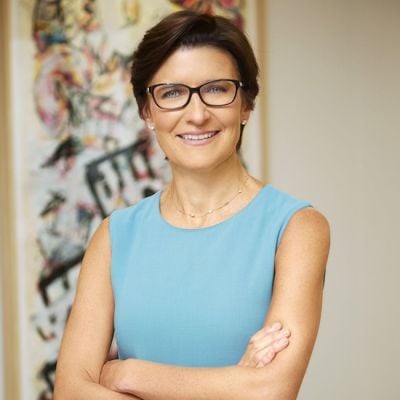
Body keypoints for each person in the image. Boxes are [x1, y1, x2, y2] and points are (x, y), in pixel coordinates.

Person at [54, 10, 330, 400]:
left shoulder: (297, 228)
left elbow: (270, 391)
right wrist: (233, 384)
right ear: (147, 112)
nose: (197, 114)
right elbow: (70, 391)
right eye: (171, 93)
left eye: (216, 89)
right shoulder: (115, 236)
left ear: (246, 104)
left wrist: (128, 374)